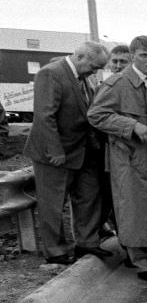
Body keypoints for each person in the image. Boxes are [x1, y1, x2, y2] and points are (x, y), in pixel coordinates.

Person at [88, 35, 147, 283]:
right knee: (133, 209)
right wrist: (130, 125)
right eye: (144, 56)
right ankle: (143, 262)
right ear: (133, 56)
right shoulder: (117, 84)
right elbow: (96, 115)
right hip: (129, 159)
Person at [24, 40, 111, 265]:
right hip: (54, 154)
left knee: (89, 198)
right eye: (95, 66)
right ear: (81, 57)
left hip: (81, 152)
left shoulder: (83, 79)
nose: (96, 71)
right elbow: (44, 116)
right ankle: (55, 252)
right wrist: (55, 151)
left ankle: (87, 243)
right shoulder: (50, 74)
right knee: (53, 205)